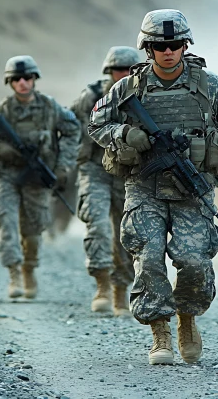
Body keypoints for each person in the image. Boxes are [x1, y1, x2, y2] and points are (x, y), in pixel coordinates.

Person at [89, 9, 218, 365]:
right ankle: (160, 333)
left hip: (191, 189)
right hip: (144, 186)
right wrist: (124, 133)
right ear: (148, 49)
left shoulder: (210, 85)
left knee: (193, 261)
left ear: (186, 45)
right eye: (160, 46)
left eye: (175, 44)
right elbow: (97, 123)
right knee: (148, 258)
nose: (169, 52)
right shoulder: (128, 88)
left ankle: (187, 319)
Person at [0, 55, 80, 299]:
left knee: (33, 228)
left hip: (36, 176)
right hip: (6, 175)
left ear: (34, 80)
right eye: (16, 79)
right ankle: (14, 274)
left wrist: (63, 167)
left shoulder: (50, 108)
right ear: (10, 82)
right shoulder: (1, 110)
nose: (22, 83)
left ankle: (29, 268)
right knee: (5, 223)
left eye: (27, 78)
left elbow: (73, 131)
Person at [71, 46, 141, 316]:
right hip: (95, 169)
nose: (123, 74)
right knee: (98, 225)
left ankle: (121, 289)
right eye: (117, 69)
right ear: (108, 71)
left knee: (126, 234)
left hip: (128, 172)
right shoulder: (91, 97)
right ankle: (102, 284)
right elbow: (70, 126)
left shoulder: (145, 93)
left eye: (128, 69)